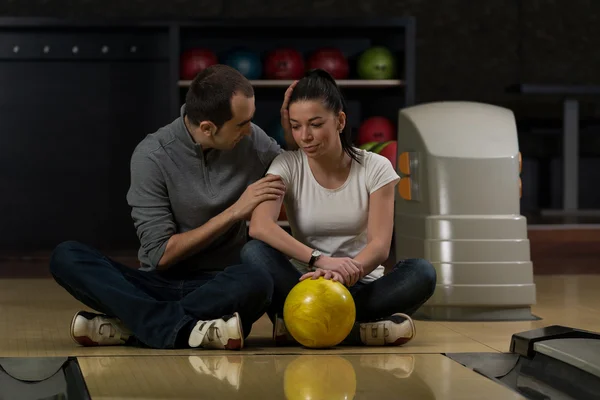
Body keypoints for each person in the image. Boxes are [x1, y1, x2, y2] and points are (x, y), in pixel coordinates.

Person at [49, 64, 296, 350]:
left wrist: (293, 138)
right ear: (207, 128)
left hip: (220, 285)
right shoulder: (151, 156)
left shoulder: (253, 141)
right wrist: (235, 212)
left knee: (257, 278)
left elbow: (295, 179)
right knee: (66, 256)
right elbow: (160, 255)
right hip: (156, 283)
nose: (250, 129)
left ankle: (136, 325)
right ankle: (186, 326)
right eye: (241, 124)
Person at [241, 69, 437, 347]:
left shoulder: (376, 167)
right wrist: (320, 260)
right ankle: (358, 330)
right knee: (253, 252)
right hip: (302, 283)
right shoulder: (286, 164)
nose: (305, 136)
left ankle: (308, 327)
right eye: (296, 126)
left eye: (315, 124)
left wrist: (344, 271)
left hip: (360, 282)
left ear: (340, 121)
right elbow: (261, 226)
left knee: (422, 273)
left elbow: (380, 246)